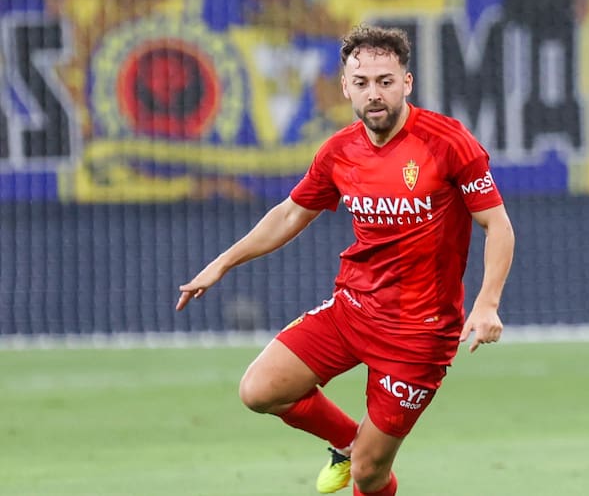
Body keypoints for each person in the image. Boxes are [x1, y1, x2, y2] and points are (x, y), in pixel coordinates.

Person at [176, 25, 516, 496]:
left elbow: (497, 225)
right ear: (345, 87)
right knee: (259, 390)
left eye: (385, 81)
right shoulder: (340, 151)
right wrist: (223, 262)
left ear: (407, 82)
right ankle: (345, 442)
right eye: (362, 83)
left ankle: (357, 458)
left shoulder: (448, 142)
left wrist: (487, 303)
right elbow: (293, 212)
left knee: (369, 474)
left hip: (419, 334)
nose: (374, 94)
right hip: (352, 310)